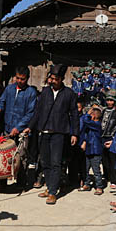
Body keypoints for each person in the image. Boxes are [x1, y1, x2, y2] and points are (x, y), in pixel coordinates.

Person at [25, 64, 79, 205]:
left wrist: (75, 133)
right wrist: (30, 127)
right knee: (45, 162)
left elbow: (74, 115)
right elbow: (37, 112)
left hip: (59, 133)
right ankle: (49, 187)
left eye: (56, 79)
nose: (52, 81)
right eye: (51, 78)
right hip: (44, 132)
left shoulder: (69, 94)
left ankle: (53, 192)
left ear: (61, 79)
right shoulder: (45, 92)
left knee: (56, 163)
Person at [0, 66, 38, 138]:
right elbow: (1, 101)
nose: (19, 81)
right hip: (7, 129)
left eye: (22, 79)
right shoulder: (9, 88)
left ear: (28, 78)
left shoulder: (31, 92)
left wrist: (18, 127)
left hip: (22, 132)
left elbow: (30, 113)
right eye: (17, 78)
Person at [78, 105, 104, 193]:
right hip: (88, 149)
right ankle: (86, 184)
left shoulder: (97, 124)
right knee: (85, 169)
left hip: (96, 150)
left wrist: (88, 113)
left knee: (96, 170)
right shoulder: (90, 125)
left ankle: (99, 186)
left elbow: (85, 120)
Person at [101, 90, 116, 189]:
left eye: (111, 100)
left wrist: (114, 139)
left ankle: (115, 180)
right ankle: (106, 176)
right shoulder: (104, 111)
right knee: (104, 159)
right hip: (103, 136)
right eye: (108, 100)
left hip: (112, 137)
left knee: (113, 159)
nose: (109, 102)